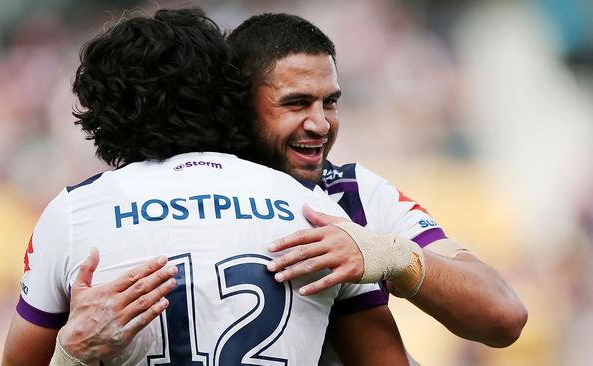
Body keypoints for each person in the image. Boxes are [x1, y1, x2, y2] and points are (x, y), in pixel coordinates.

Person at [1, 8, 409, 366]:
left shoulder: (75, 213)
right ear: (231, 96)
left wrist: (70, 356)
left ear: (106, 110)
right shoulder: (313, 207)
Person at [226, 12, 528, 350]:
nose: (321, 124)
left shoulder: (353, 193)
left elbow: (505, 315)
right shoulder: (184, 195)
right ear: (240, 105)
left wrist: (391, 257)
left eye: (330, 103)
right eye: (296, 104)